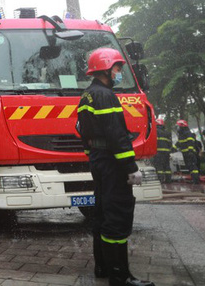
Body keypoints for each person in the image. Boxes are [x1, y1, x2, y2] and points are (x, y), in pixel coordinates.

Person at [77, 47, 153, 286]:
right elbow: (116, 134)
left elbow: (81, 130)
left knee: (101, 215)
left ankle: (103, 268)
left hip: (99, 160)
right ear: (106, 69)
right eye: (118, 69)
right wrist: (130, 167)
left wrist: (93, 156)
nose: (119, 72)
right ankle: (120, 277)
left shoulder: (87, 95)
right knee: (117, 217)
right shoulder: (105, 96)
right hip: (112, 162)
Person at [175, 120, 200, 184]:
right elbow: (178, 144)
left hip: (189, 153)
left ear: (182, 126)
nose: (177, 128)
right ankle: (194, 179)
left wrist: (190, 151)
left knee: (193, 167)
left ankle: (196, 180)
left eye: (178, 126)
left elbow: (190, 143)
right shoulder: (182, 135)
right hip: (185, 154)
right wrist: (171, 149)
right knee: (190, 167)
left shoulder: (188, 133)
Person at [152, 118, 172, 184]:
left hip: (158, 152)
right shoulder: (167, 132)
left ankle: (160, 180)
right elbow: (170, 144)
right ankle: (168, 180)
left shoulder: (155, 131)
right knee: (167, 166)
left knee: (159, 166)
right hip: (166, 153)